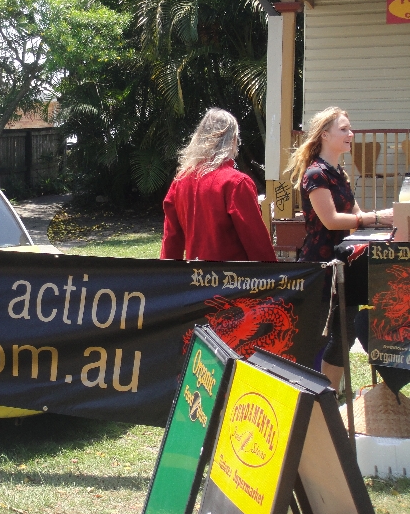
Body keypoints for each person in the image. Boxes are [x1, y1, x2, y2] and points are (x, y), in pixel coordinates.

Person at [285, 106, 393, 392]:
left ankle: (328, 399)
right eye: (344, 129)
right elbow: (332, 220)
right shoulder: (316, 174)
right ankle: (312, 399)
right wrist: (378, 216)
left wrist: (384, 225)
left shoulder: (339, 173)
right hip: (320, 269)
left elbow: (356, 218)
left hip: (345, 266)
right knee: (318, 338)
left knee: (343, 336)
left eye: (350, 128)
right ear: (325, 135)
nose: (351, 134)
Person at [160, 108, 277, 262]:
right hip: (232, 279)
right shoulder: (236, 183)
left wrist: (168, 277)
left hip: (196, 279)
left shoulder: (180, 181)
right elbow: (256, 240)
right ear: (233, 140)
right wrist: (273, 276)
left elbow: (171, 240)